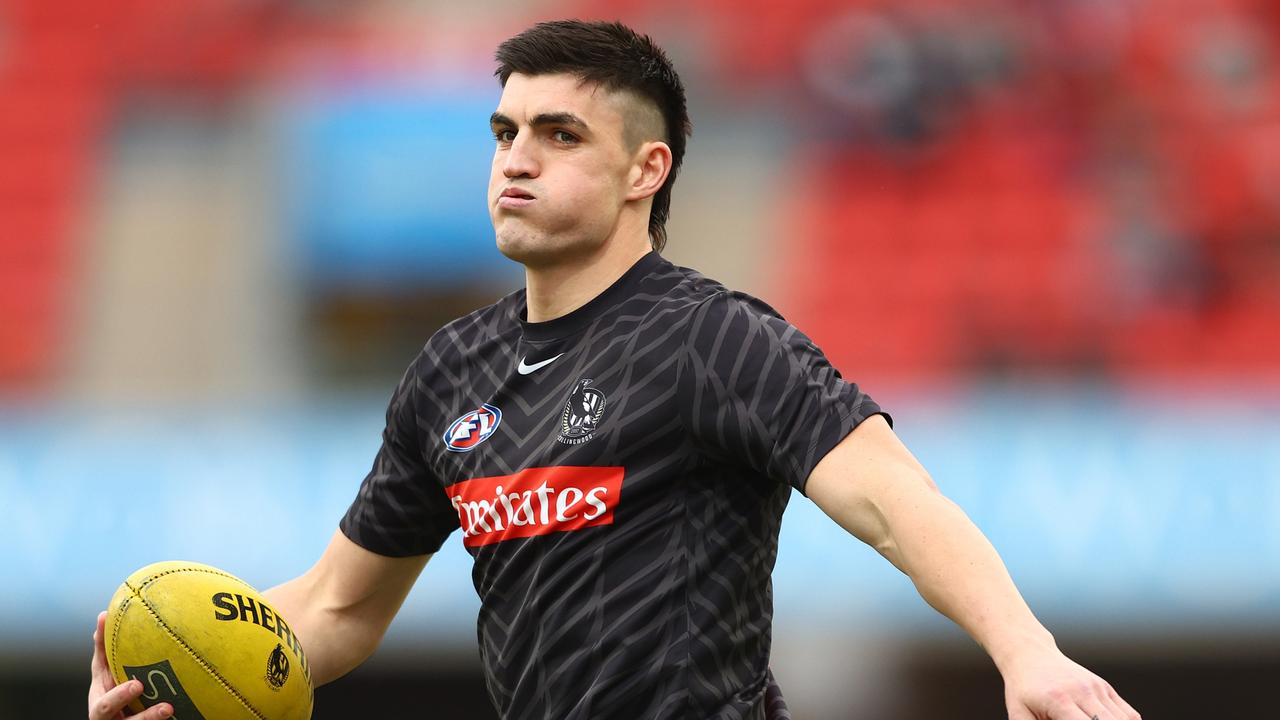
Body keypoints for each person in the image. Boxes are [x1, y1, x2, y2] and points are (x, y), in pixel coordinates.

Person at [88, 19, 1141, 720]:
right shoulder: (451, 370)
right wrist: (174, 682)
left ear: (648, 169)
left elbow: (889, 500)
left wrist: (1024, 653)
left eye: (557, 134)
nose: (515, 159)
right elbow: (335, 612)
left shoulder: (712, 339)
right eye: (504, 131)